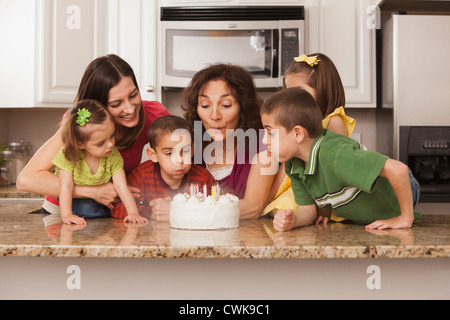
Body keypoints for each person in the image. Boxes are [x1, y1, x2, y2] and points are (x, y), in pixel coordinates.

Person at [16, 54, 170, 212]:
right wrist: (93, 191)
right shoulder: (79, 124)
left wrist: (173, 199)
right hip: (67, 209)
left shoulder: (153, 113)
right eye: (116, 104)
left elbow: (191, 150)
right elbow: (26, 180)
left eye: (133, 95)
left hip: (111, 209)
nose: (130, 109)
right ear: (97, 105)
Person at [260, 87, 421, 231]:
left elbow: (399, 170)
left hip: (398, 191)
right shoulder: (294, 164)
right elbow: (307, 210)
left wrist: (405, 218)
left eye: (270, 133)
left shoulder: (336, 154)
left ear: (298, 134)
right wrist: (293, 220)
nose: (264, 141)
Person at [262, 53, 356, 220]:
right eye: (288, 91)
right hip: (306, 186)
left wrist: (325, 209)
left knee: (291, 207)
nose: (292, 98)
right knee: (279, 206)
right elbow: (287, 166)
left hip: (327, 188)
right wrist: (267, 198)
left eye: (299, 92)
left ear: (323, 91)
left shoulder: (333, 121)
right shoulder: (296, 127)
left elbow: (333, 169)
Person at [181, 64, 281, 220]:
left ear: (243, 107)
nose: (214, 115)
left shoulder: (264, 142)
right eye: (205, 105)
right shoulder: (192, 148)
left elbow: (253, 207)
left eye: (226, 105)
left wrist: (183, 211)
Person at [43, 100, 147, 224]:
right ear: (80, 144)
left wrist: (133, 213)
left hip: (100, 198)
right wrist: (67, 215)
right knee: (87, 209)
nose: (110, 144)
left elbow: (121, 186)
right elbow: (66, 187)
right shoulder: (69, 155)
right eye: (101, 143)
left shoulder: (112, 155)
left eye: (112, 136)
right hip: (75, 198)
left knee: (121, 204)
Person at [111, 115, 216, 221]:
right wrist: (152, 213)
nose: (179, 160)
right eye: (169, 153)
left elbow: (219, 210)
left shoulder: (203, 179)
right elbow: (117, 207)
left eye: (185, 151)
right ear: (153, 155)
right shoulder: (142, 175)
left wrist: (177, 211)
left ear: (192, 150)